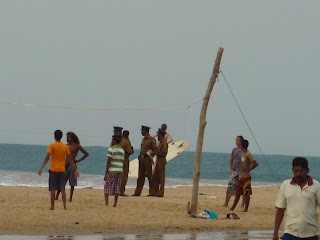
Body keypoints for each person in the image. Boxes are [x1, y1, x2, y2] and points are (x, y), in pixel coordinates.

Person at [273, 157, 320, 240]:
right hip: (289, 232)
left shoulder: (316, 186)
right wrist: (275, 233)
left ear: (307, 170)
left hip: (310, 233)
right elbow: (280, 210)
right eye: (296, 171)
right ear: (292, 171)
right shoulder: (286, 185)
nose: (298, 174)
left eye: (301, 171)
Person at [38, 130, 79, 210]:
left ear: (54, 136)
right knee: (62, 188)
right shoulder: (65, 146)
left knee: (53, 188)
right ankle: (64, 206)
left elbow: (47, 157)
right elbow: (70, 159)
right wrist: (75, 169)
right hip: (62, 169)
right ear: (61, 137)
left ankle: (52, 206)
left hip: (53, 169)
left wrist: (42, 167)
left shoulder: (52, 145)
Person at [55, 131, 89, 202]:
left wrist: (78, 160)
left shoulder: (77, 146)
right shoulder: (65, 145)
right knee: (62, 181)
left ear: (72, 138)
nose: (67, 138)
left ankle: (70, 198)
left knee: (72, 183)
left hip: (72, 165)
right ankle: (57, 196)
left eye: (69, 137)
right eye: (67, 137)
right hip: (65, 165)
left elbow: (86, 153)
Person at [230, 139, 258, 212]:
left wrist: (249, 169)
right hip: (241, 176)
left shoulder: (248, 154)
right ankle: (233, 207)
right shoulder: (243, 153)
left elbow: (255, 163)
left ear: (242, 146)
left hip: (246, 177)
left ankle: (246, 209)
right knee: (238, 193)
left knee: (246, 193)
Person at [132, 125, 157, 196]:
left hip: (147, 159)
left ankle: (152, 192)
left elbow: (154, 151)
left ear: (145, 131)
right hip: (142, 158)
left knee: (149, 176)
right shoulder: (143, 139)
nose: (141, 132)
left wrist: (149, 157)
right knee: (140, 176)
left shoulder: (152, 140)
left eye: (142, 131)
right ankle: (137, 192)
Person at [222, 136, 244, 207]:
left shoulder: (244, 151)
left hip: (241, 173)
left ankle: (243, 204)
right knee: (230, 187)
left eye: (238, 140)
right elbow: (231, 160)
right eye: (236, 140)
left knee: (242, 189)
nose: (236, 142)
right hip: (234, 172)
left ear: (241, 141)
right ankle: (226, 203)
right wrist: (231, 169)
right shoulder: (234, 150)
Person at [104, 134, 125, 207]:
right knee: (117, 186)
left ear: (114, 140)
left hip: (113, 170)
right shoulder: (122, 150)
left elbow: (109, 161)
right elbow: (122, 160)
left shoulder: (111, 149)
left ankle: (106, 203)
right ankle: (115, 203)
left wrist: (106, 173)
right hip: (120, 170)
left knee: (107, 186)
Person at [149, 128, 168, 197]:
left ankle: (161, 192)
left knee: (161, 177)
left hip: (162, 160)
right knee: (155, 176)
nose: (157, 136)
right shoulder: (160, 143)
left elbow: (164, 154)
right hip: (158, 160)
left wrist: (156, 153)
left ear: (161, 135)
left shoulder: (164, 143)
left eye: (158, 134)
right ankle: (154, 191)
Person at [119, 130, 134, 196]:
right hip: (124, 159)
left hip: (118, 159)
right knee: (124, 176)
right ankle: (121, 191)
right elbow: (130, 151)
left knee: (118, 176)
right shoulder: (126, 141)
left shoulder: (118, 140)